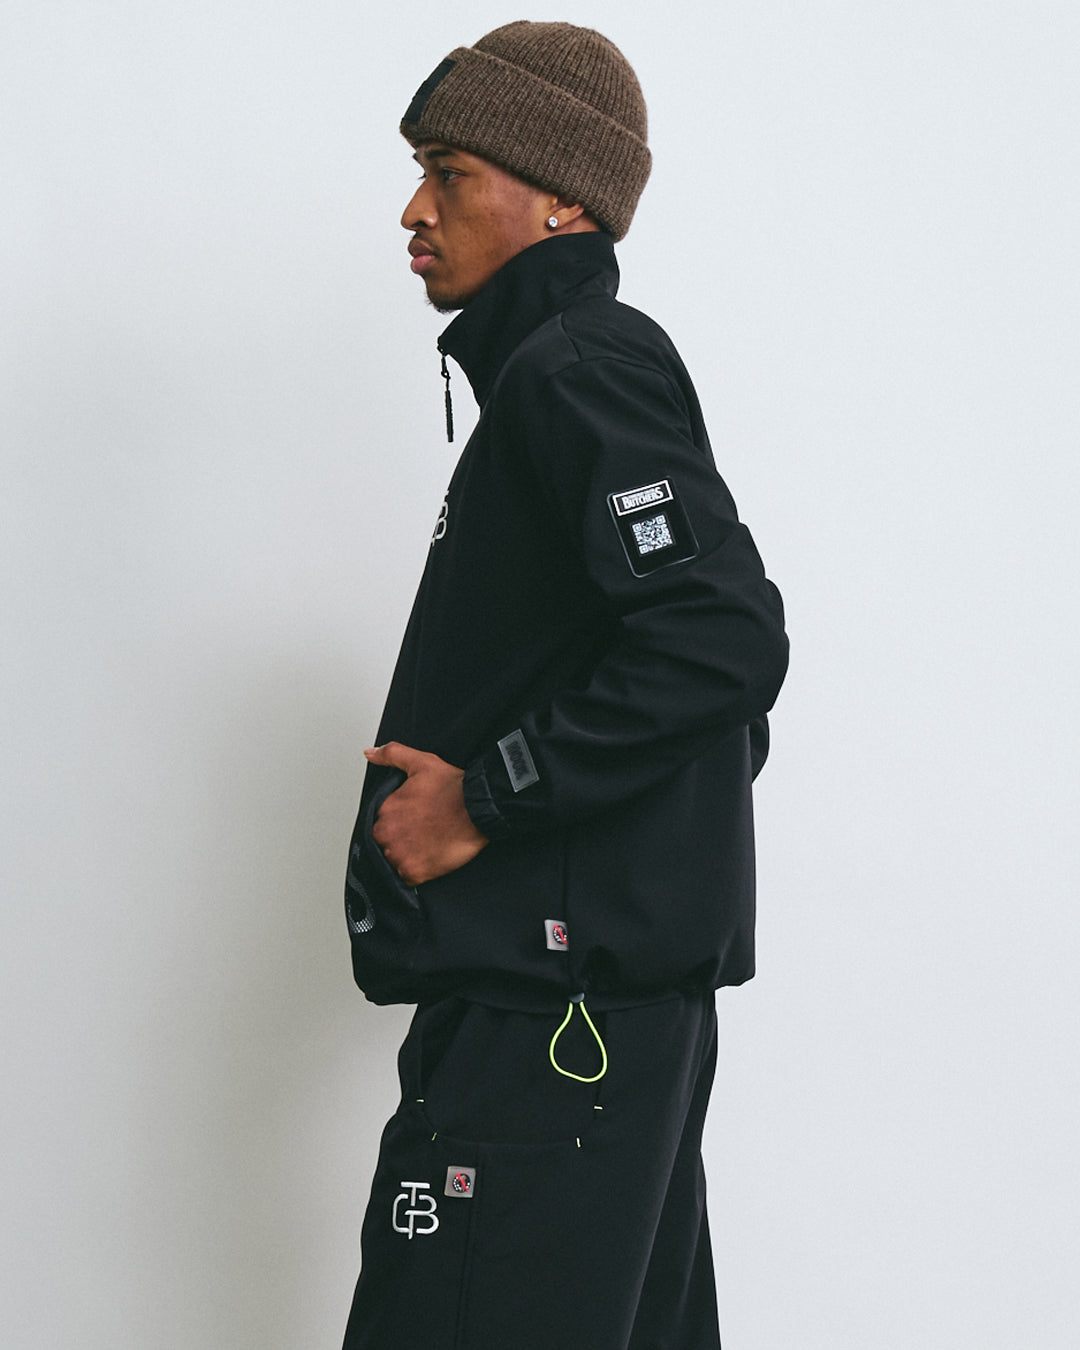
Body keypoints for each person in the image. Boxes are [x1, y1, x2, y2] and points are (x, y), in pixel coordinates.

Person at [341, 21, 788, 1350]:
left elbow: (720, 636)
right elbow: (696, 660)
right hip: (586, 1017)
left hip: (556, 1028)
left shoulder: (576, 368)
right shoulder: (561, 374)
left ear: (562, 201)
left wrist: (493, 798)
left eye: (451, 173)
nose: (414, 211)